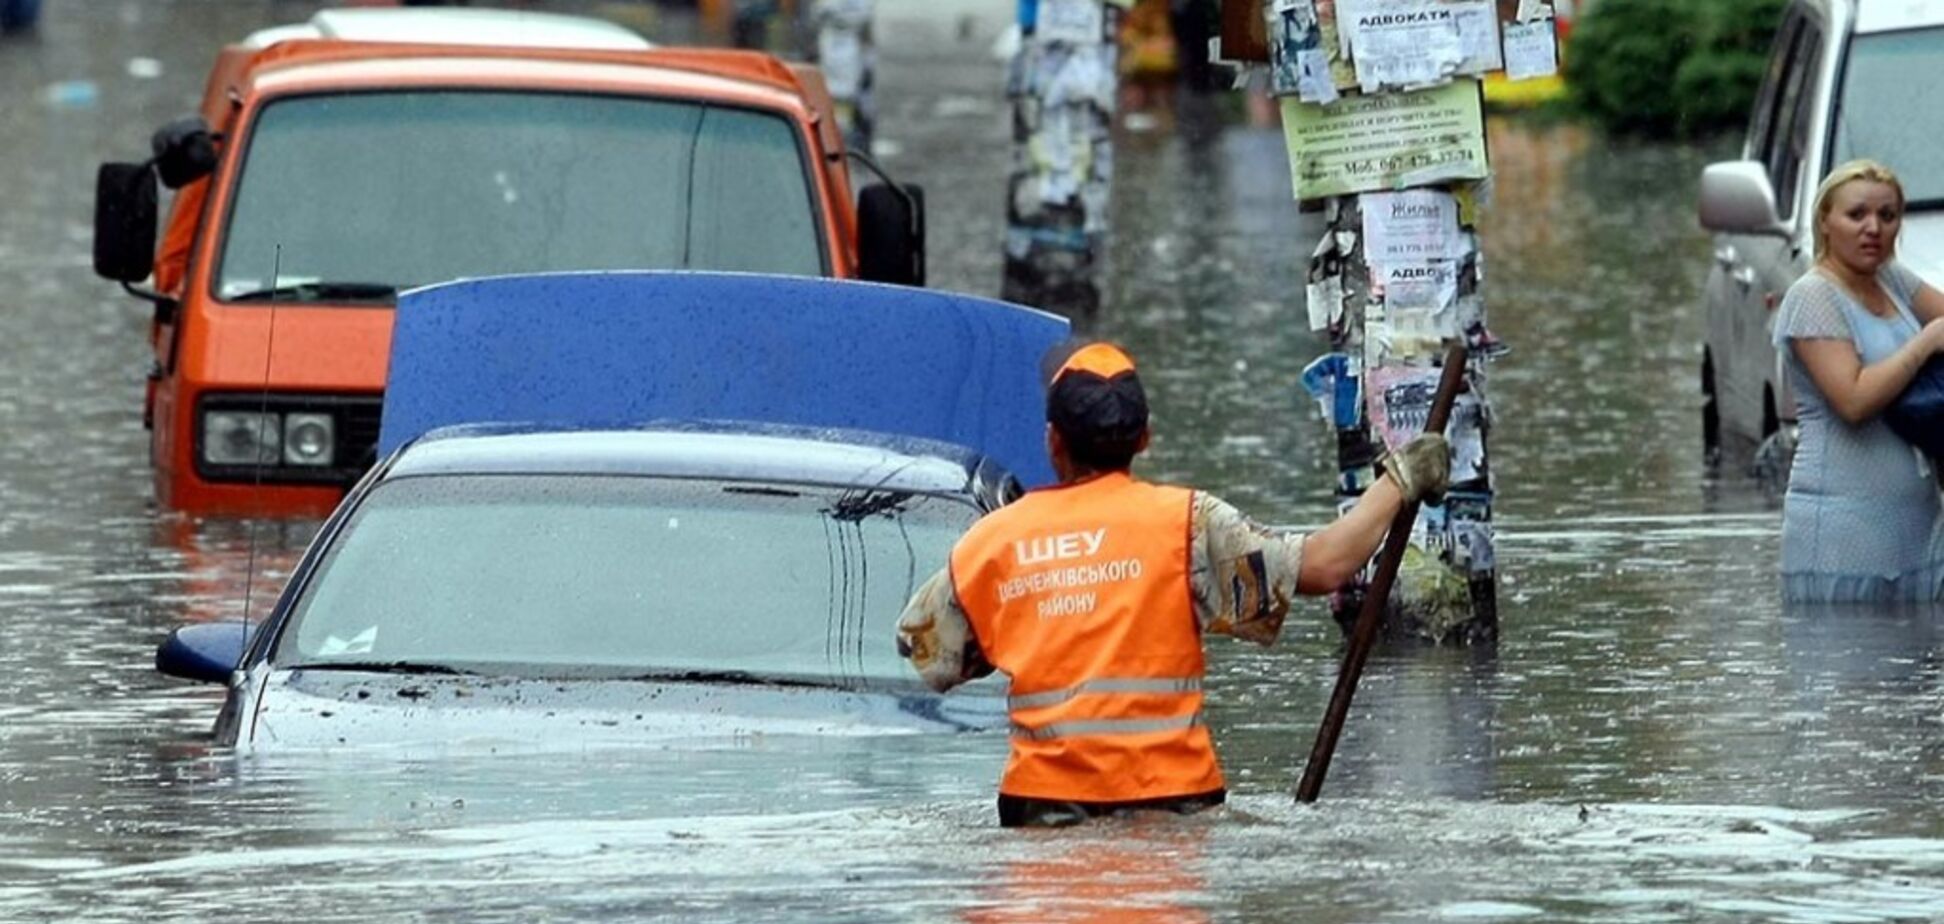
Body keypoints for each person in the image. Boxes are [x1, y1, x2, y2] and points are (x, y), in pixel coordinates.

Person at [894, 341, 1450, 827]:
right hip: (1175, 804)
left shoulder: (993, 542)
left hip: (1042, 811)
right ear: (1145, 438)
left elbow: (923, 651)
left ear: (1052, 441)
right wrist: (1399, 480)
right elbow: (1327, 564)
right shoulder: (1188, 524)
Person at [1773, 159, 1944, 602]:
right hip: (1841, 532)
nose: (1874, 228)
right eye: (1857, 215)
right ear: (1825, 221)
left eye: (1887, 216)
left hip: (1918, 528)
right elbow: (1853, 400)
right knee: (1847, 647)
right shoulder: (1812, 296)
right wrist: (1925, 344)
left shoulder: (1891, 279)